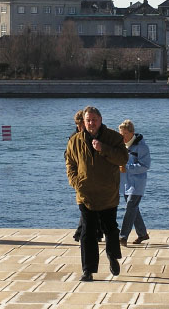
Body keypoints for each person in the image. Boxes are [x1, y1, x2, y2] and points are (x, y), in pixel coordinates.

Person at [65, 106, 129, 282]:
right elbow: (70, 163)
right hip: (85, 194)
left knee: (110, 228)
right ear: (83, 122)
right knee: (88, 231)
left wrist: (103, 148)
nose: (91, 123)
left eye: (94, 119)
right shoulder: (75, 141)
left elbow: (123, 159)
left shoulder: (114, 138)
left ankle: (112, 256)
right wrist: (76, 183)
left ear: (100, 120)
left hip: (108, 193)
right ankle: (88, 270)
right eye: (88, 120)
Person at [70, 110, 104, 243]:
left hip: (95, 178)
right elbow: (69, 157)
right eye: (80, 125)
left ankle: (92, 232)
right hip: (82, 178)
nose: (81, 128)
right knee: (86, 206)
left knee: (92, 207)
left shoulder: (97, 135)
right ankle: (83, 233)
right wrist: (75, 180)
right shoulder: (75, 138)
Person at [118, 119, 151, 247]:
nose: (122, 137)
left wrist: (127, 167)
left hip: (137, 184)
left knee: (130, 208)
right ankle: (142, 233)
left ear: (132, 133)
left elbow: (145, 165)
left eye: (124, 134)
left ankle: (122, 236)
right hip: (125, 183)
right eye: (120, 134)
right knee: (133, 209)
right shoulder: (122, 145)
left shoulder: (142, 146)